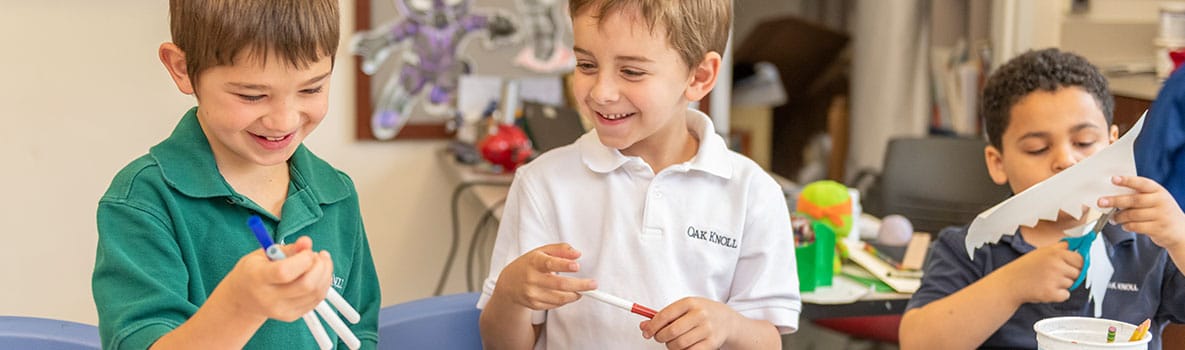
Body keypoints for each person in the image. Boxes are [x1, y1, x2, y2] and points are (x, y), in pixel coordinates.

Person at [476, 0, 800, 349]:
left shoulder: (754, 194)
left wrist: (729, 326)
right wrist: (510, 293)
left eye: (631, 72)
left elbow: (767, 341)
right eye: (586, 64)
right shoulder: (542, 183)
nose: (601, 92)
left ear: (699, 76)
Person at [91, 1, 380, 349]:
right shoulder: (144, 201)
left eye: (311, 89)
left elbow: (358, 332)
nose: (284, 121)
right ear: (182, 68)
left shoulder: (336, 193)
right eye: (252, 95)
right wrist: (240, 306)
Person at [899, 48, 1185, 349]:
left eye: (1084, 142)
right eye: (1037, 148)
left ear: (1113, 143)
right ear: (998, 163)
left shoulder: (1149, 246)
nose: (1066, 160)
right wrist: (1011, 285)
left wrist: (1180, 236)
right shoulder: (971, 249)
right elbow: (918, 343)